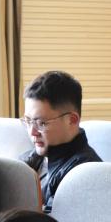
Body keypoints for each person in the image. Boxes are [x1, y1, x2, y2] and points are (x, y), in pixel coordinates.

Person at [19, 70, 101, 213]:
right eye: (28, 121)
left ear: (72, 120)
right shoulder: (33, 158)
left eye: (41, 123)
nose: (32, 132)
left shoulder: (84, 175)